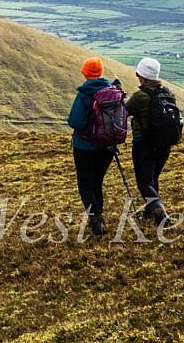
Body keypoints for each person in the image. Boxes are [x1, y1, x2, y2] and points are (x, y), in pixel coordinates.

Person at [66, 56, 119, 237]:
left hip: (85, 147)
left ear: (85, 72)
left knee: (85, 185)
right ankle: (98, 216)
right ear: (101, 72)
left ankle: (95, 219)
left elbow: (75, 121)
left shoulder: (84, 94)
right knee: (97, 182)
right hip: (107, 147)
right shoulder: (112, 91)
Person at [127, 56, 172, 225]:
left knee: (144, 183)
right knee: (153, 179)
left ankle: (159, 210)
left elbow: (124, 111)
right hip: (164, 145)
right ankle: (150, 214)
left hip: (144, 144)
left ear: (143, 76)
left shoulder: (140, 96)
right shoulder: (168, 93)